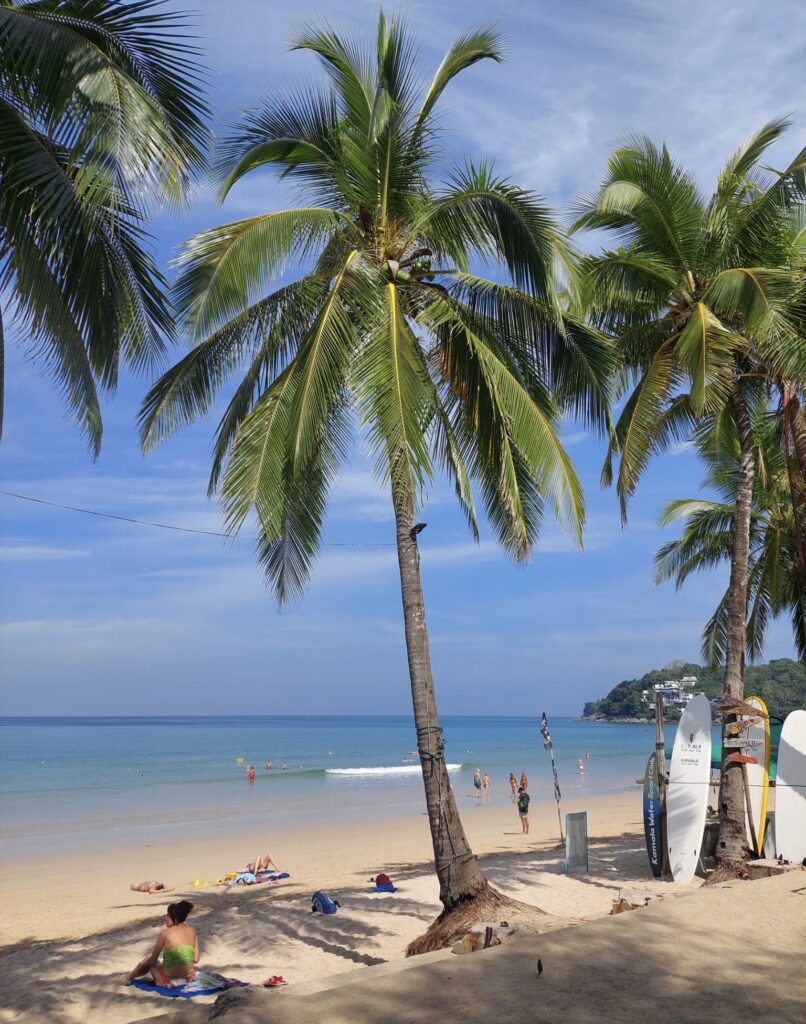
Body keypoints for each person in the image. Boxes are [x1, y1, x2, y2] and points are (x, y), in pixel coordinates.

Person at [120, 900, 199, 986]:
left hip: (170, 982)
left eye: (168, 915)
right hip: (189, 979)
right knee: (155, 962)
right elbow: (196, 959)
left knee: (149, 959)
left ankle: (128, 977)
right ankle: (129, 977)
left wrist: (143, 964)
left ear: (175, 919)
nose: (165, 918)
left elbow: (153, 960)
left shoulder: (165, 933)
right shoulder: (192, 931)